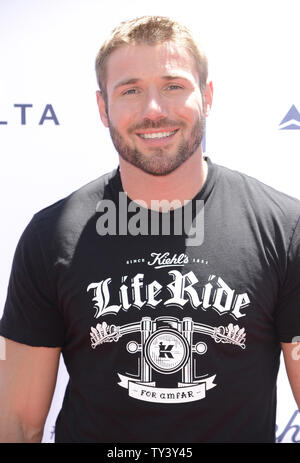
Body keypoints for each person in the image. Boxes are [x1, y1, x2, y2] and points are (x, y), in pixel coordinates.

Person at [0, 15, 299, 444]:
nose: (153, 110)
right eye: (131, 90)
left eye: (173, 86)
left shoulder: (284, 229)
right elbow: (18, 425)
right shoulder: (51, 236)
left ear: (208, 97)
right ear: (103, 107)